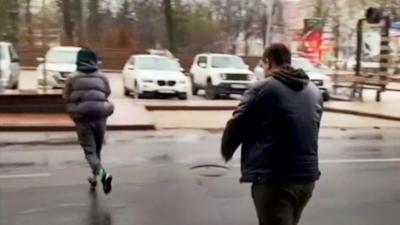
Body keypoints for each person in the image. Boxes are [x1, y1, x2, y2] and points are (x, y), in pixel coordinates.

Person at [221, 43, 323, 225]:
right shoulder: (314, 92)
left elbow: (237, 123)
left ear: (268, 63)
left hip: (275, 181)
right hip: (307, 179)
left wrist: (226, 150)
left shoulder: (261, 88)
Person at [63, 48, 114, 194]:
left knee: (90, 151)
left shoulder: (72, 78)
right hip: (100, 116)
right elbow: (107, 92)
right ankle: (94, 178)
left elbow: (65, 96)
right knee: (97, 149)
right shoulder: (102, 77)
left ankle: (103, 175)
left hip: (82, 117)